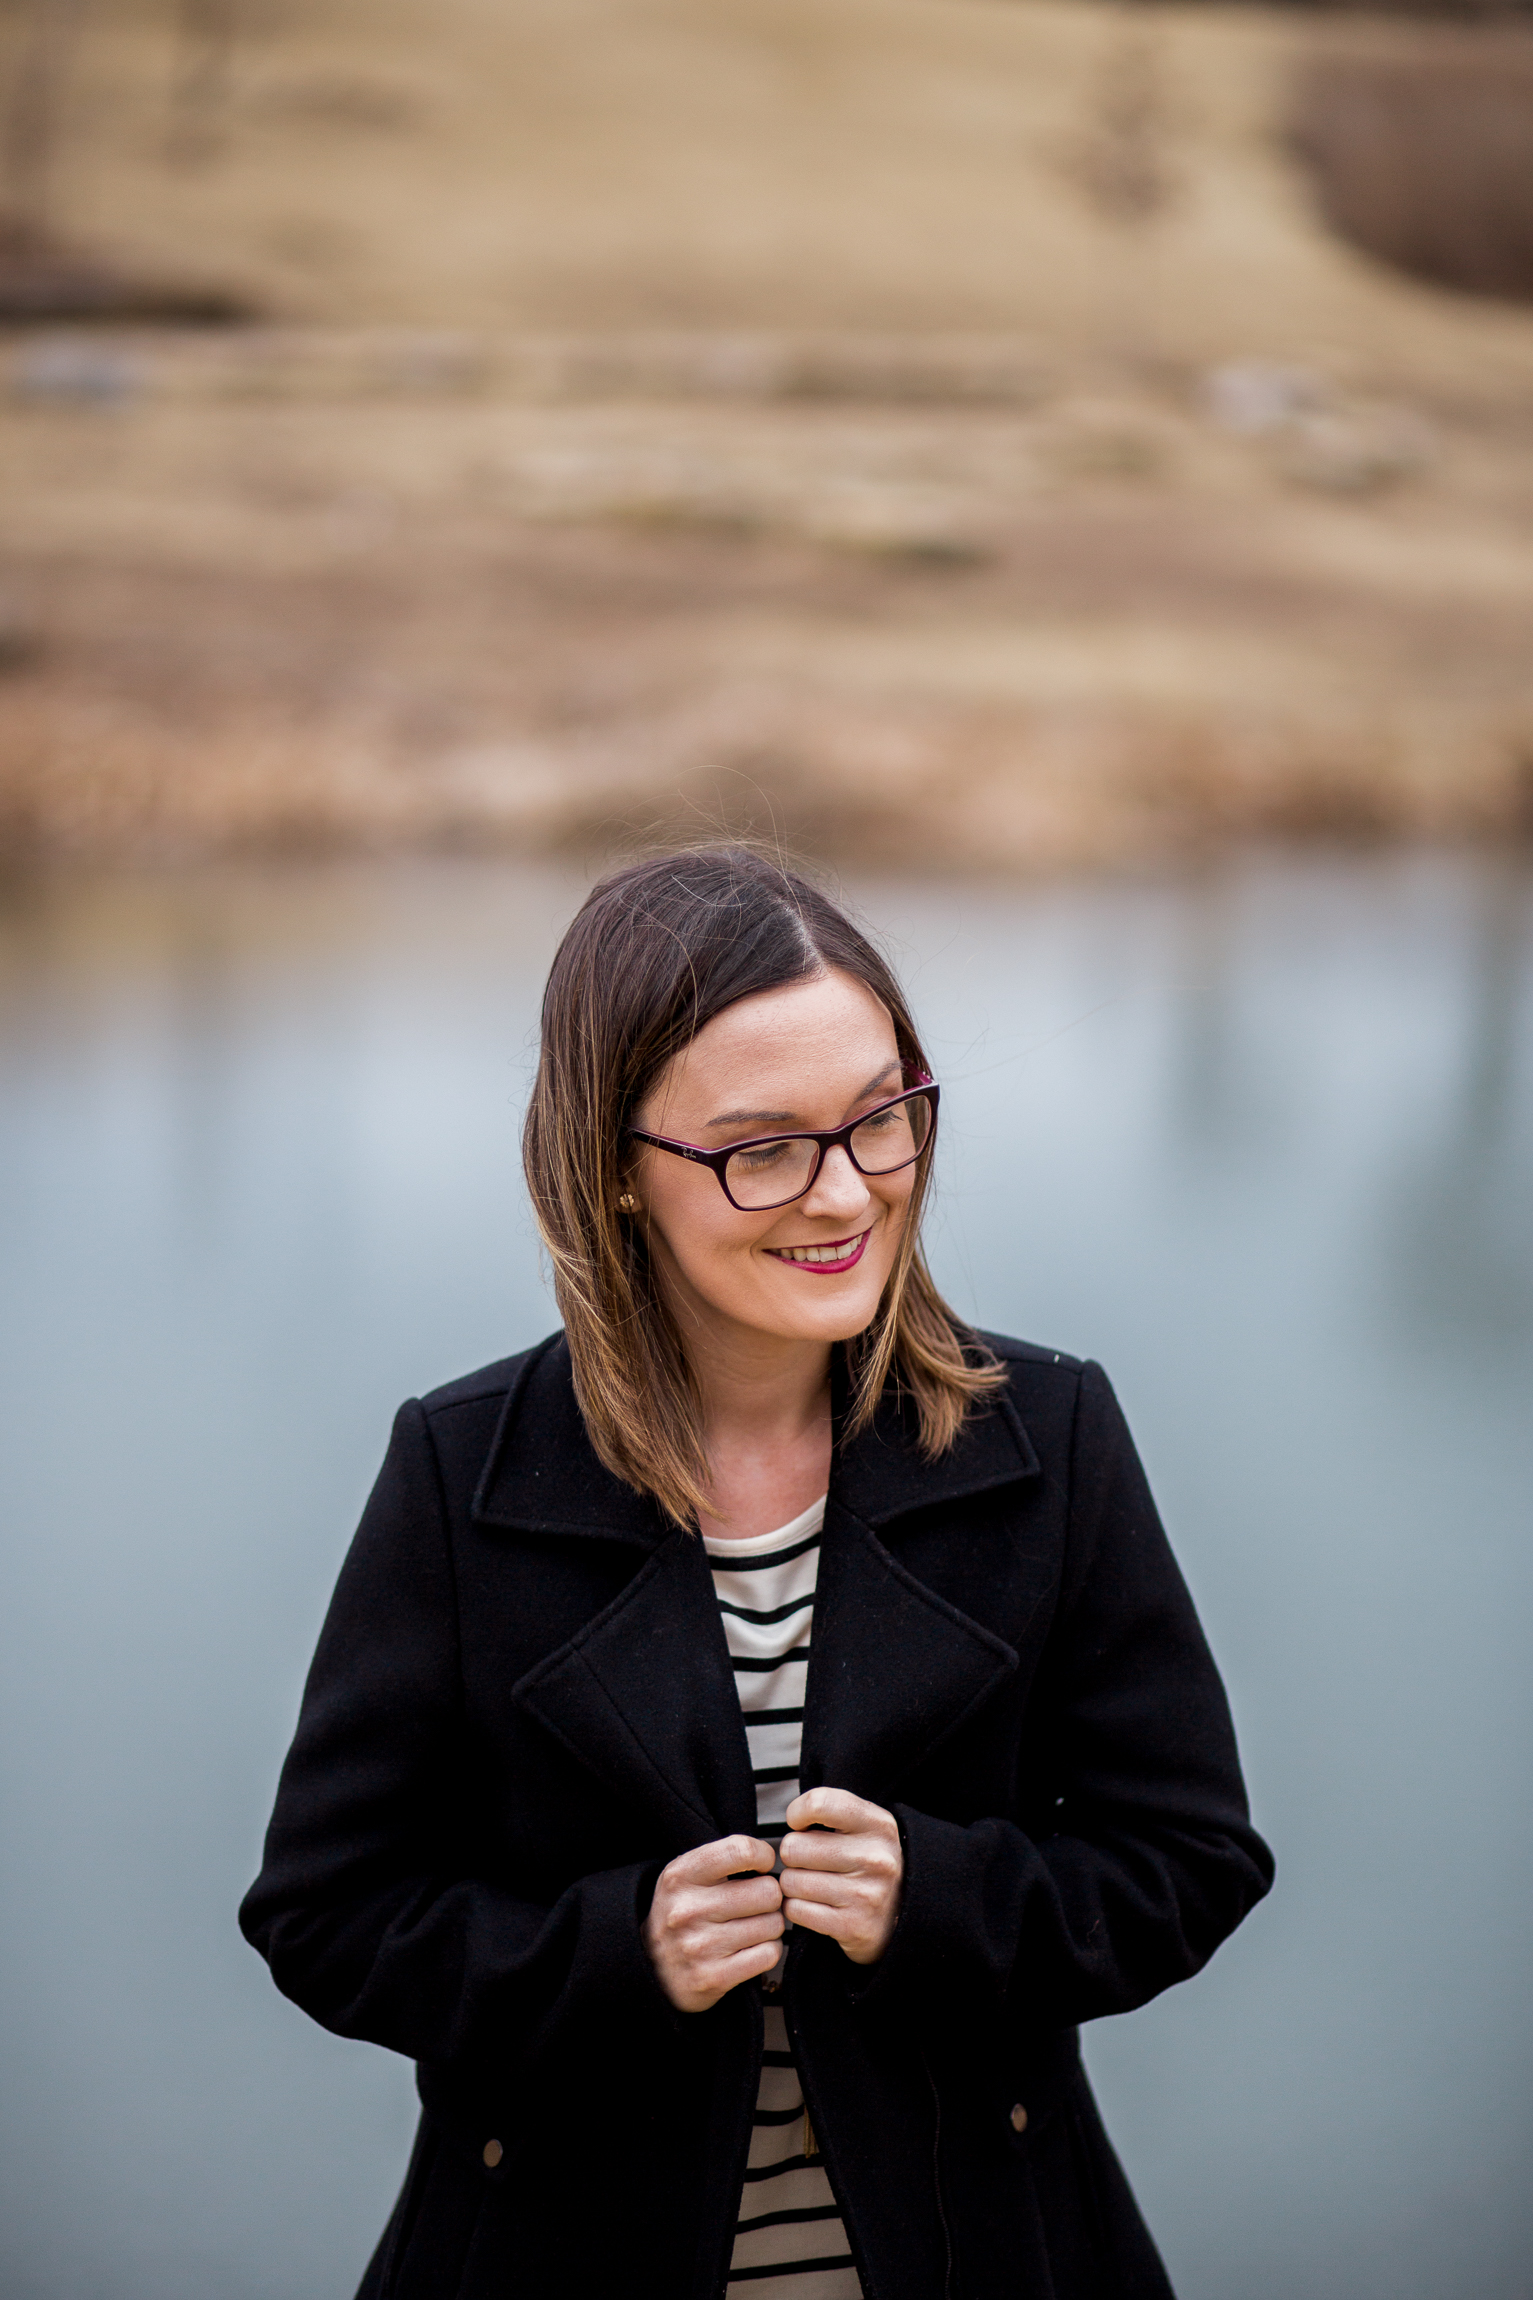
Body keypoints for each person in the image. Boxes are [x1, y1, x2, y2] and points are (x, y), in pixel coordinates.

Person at [241, 845, 1274, 2300]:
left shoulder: (1049, 1436)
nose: (845, 1194)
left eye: (881, 1120)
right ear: (612, 1172)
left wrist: (947, 1901)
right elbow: (328, 1917)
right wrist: (615, 1953)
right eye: (762, 1147)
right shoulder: (458, 1470)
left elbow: (1188, 1863)